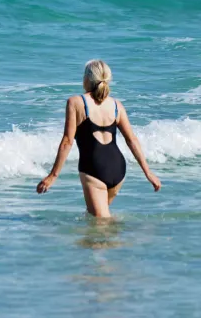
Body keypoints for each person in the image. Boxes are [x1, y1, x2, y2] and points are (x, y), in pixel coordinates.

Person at [36, 59, 161, 217]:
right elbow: (132, 140)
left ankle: (132, 239)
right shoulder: (116, 105)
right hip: (118, 169)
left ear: (87, 79)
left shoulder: (75, 103)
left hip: (94, 169)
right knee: (95, 221)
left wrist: (52, 176)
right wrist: (147, 172)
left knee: (102, 227)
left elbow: (67, 142)